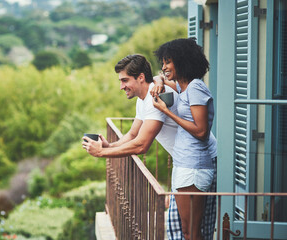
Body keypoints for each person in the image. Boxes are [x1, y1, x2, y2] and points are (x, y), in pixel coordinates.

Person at [151, 38, 217, 240]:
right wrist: (160, 80)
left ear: (182, 61)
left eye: (168, 62)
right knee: (187, 231)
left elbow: (201, 131)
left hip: (194, 168)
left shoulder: (196, 88)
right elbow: (156, 77)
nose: (164, 67)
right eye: (163, 62)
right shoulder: (184, 87)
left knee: (192, 232)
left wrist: (166, 112)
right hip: (185, 165)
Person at [82, 53, 178, 169]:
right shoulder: (143, 98)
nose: (121, 87)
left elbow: (141, 145)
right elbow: (133, 135)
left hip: (192, 163)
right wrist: (109, 146)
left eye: (125, 80)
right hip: (183, 161)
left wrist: (100, 152)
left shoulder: (155, 96)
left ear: (141, 77)